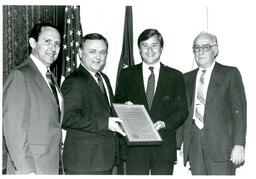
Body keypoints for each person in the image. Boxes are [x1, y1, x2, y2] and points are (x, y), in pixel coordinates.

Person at [115, 29, 188, 175]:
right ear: (139, 49)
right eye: (145, 45)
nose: (150, 50)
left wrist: (165, 123)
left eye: (154, 45)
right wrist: (125, 107)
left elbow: (182, 110)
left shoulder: (175, 76)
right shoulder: (127, 74)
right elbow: (117, 103)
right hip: (135, 149)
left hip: (163, 147)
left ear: (161, 48)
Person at [177, 32, 247, 175]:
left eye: (205, 47)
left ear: (215, 50)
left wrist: (239, 144)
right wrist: (178, 143)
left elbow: (239, 111)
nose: (200, 51)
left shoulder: (230, 74)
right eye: (197, 48)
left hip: (221, 146)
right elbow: (182, 112)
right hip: (194, 145)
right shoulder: (186, 78)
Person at [3, 22, 63, 174]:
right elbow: (14, 130)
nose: (53, 48)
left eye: (57, 43)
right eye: (47, 42)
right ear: (33, 42)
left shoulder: (50, 78)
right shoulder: (21, 75)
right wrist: (27, 172)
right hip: (31, 168)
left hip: (50, 164)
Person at [61, 33, 125, 174]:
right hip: (83, 163)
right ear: (80, 53)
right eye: (92, 52)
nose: (98, 57)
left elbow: (104, 110)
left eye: (102, 52)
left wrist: (125, 109)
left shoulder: (104, 78)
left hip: (103, 159)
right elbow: (68, 117)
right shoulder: (75, 81)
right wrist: (106, 123)